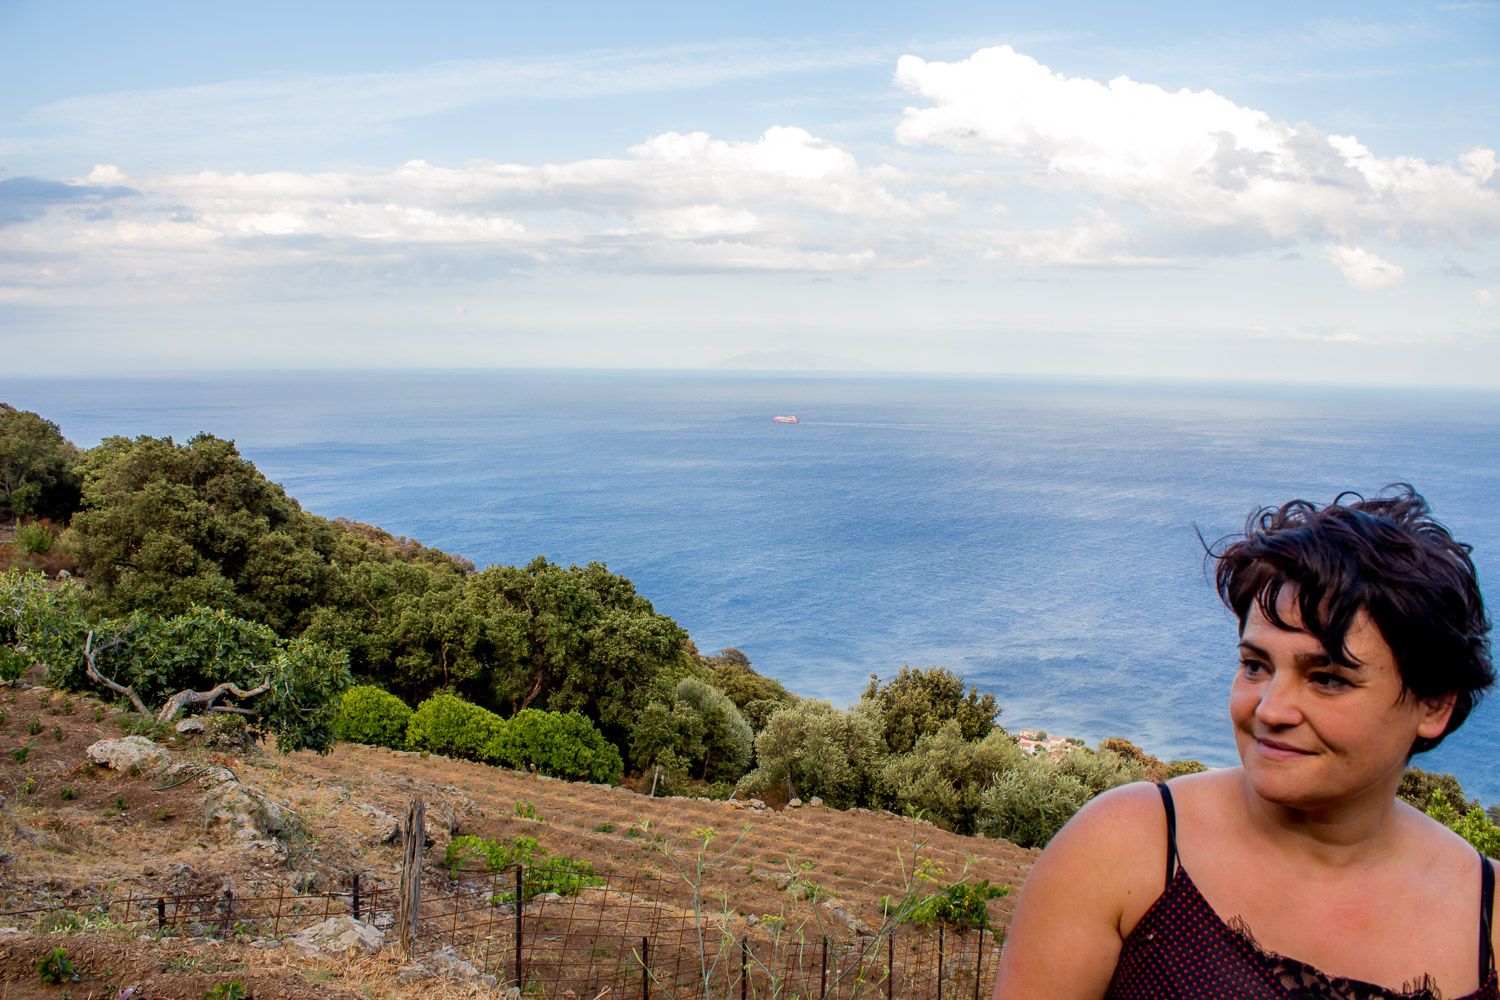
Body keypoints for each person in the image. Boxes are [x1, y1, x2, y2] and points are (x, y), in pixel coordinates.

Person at [993, 486, 1498, 999]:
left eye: (1326, 678)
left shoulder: (1491, 920)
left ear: (1434, 705)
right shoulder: (1124, 849)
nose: (1270, 710)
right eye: (1255, 665)